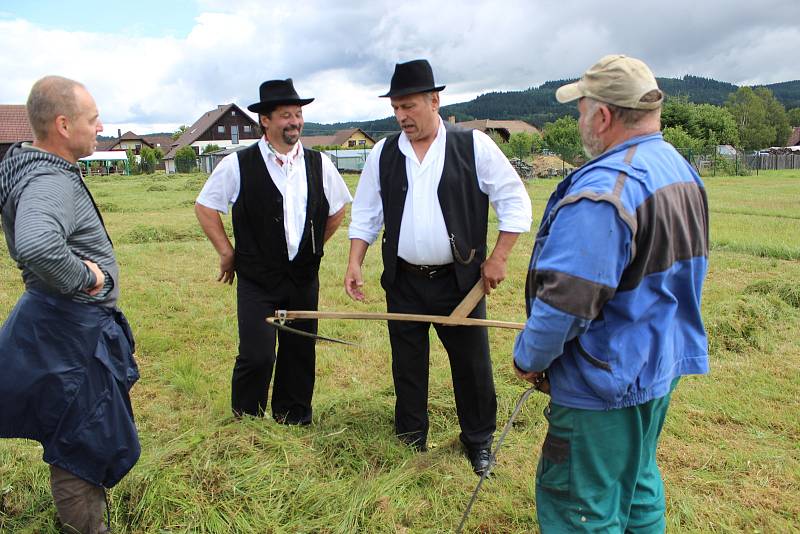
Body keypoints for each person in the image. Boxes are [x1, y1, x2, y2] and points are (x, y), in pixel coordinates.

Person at [512, 55, 710, 532]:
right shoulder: (678, 168)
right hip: (657, 364)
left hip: (603, 379)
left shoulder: (604, 192)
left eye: (581, 109)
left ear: (602, 116)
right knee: (638, 486)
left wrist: (529, 357)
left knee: (582, 508)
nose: (579, 120)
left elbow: (566, 301)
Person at [345, 59, 532, 475]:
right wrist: (355, 260)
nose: (401, 116)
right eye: (395, 108)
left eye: (408, 106)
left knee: (472, 367)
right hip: (404, 280)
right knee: (407, 365)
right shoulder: (383, 153)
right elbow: (367, 214)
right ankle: (410, 440)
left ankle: (478, 441)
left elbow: (515, 203)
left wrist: (498, 257)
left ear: (434, 100)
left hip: (460, 282)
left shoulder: (474, 146)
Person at [0, 76, 140, 534]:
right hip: (71, 332)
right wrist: (88, 277)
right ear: (63, 124)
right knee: (80, 441)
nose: (100, 126)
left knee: (80, 431)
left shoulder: (35, 167)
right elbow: (38, 244)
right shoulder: (48, 178)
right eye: (92, 118)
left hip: (59, 323)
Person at [196, 78, 352, 423]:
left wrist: (312, 247)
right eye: (286, 115)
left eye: (297, 114)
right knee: (257, 355)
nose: (295, 121)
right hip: (257, 280)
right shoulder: (238, 164)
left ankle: (293, 419)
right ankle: (247, 422)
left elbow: (338, 209)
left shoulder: (319, 164)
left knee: (299, 350)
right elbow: (206, 207)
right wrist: (227, 252)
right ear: (265, 120)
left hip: (302, 279)